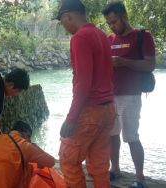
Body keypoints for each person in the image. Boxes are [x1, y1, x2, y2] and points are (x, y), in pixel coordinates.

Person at [54, 0, 115, 187]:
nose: (64, 26)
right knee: (99, 165)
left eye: (62, 21)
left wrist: (71, 119)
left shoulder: (80, 38)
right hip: (108, 109)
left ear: (68, 16)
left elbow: (83, 83)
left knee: (68, 160)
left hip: (90, 111)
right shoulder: (102, 35)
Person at [102, 2, 155, 188]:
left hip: (131, 96)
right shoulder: (109, 39)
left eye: (114, 21)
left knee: (131, 136)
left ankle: (140, 178)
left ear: (124, 16)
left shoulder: (143, 36)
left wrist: (123, 62)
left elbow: (149, 65)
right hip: (111, 95)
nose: (112, 26)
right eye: (109, 23)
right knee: (112, 135)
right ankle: (114, 169)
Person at [0, 120, 55, 188]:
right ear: (26, 134)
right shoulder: (27, 146)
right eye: (29, 137)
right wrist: (35, 147)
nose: (30, 140)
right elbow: (51, 162)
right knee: (28, 168)